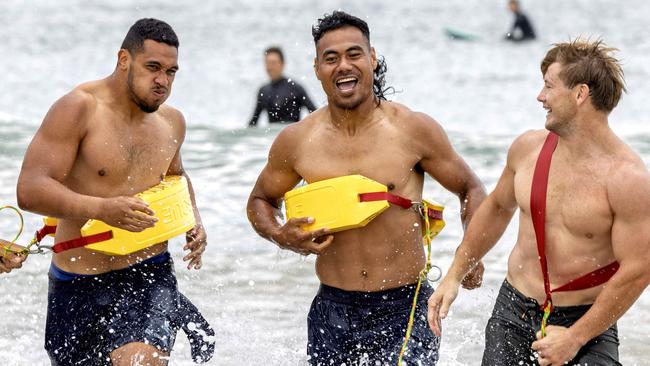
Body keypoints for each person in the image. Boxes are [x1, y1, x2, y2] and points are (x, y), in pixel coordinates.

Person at [247, 11, 486, 365]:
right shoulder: (297, 141)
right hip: (332, 309)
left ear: (372, 58)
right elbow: (260, 200)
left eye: (354, 54)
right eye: (331, 58)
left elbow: (471, 189)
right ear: (316, 69)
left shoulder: (412, 130)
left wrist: (471, 254)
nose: (343, 65)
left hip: (406, 306)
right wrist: (281, 235)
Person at [428, 39, 650, 366]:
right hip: (513, 310)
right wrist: (454, 274)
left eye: (548, 86)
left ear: (580, 94)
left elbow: (638, 268)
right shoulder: (527, 150)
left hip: (586, 322)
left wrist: (574, 337)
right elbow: (496, 209)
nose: (540, 96)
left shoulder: (626, 179)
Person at [16, 18, 214, 365]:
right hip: (77, 281)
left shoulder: (171, 122)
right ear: (124, 59)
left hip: (149, 275)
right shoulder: (79, 108)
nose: (162, 81)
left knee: (142, 361)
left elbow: (176, 177)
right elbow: (30, 189)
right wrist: (102, 209)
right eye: (153, 68)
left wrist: (193, 220)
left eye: (171, 72)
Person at [247, 46, 317, 127]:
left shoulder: (295, 88)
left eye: (273, 63)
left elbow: (315, 114)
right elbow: (253, 123)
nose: (269, 67)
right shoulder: (263, 91)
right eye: (267, 63)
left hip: (292, 136)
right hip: (271, 137)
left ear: (282, 64)